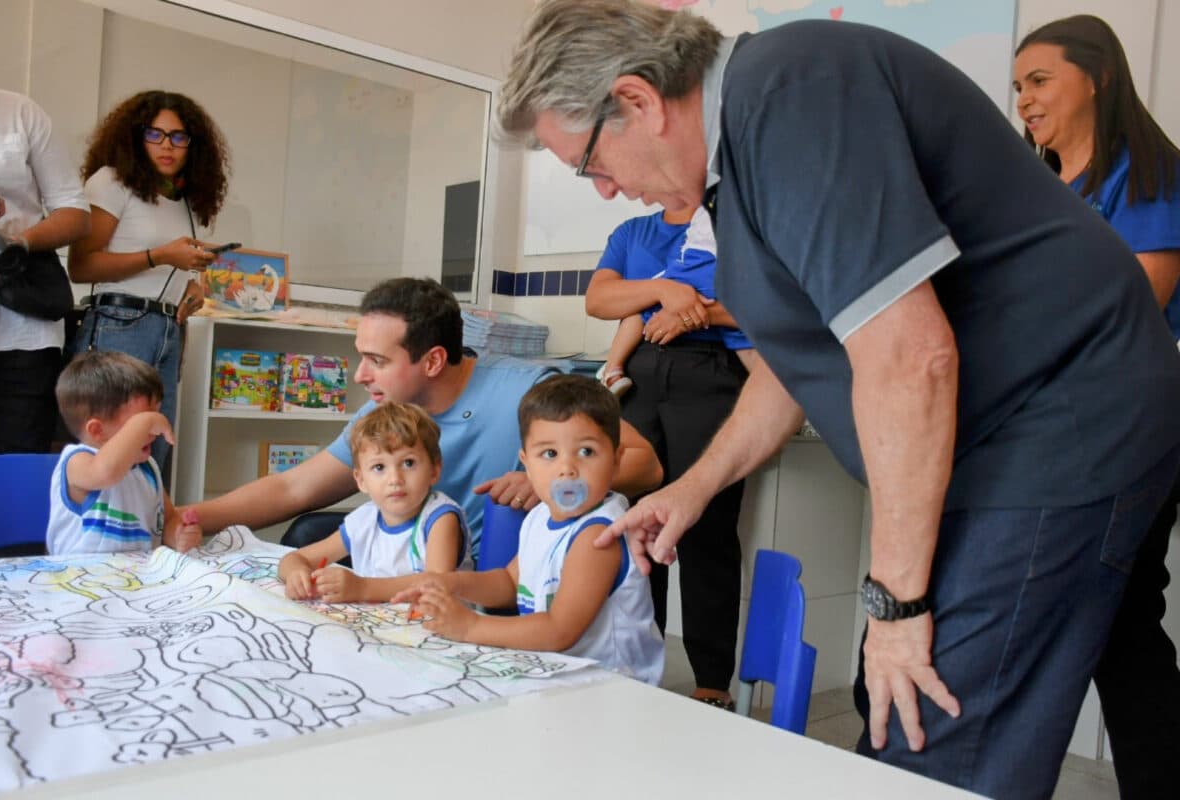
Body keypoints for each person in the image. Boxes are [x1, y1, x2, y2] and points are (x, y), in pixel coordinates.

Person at [497, 2, 1180, 797]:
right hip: (999, 433)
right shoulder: (736, 166)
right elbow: (795, 362)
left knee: (931, 726)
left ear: (638, 100)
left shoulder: (793, 96)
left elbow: (912, 357)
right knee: (900, 695)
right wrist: (693, 487)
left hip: (1062, 420)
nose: (608, 190)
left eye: (590, 164)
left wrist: (896, 605)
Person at [175, 278, 662, 560]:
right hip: (412, 564)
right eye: (361, 356)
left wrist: (546, 480)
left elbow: (646, 463)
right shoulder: (384, 413)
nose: (360, 375)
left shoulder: (529, 390)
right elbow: (292, 488)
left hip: (498, 573)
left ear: (432, 361)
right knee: (309, 534)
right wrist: (183, 517)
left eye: (377, 361)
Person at [1014, 16, 1180, 799]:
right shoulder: (1038, 191)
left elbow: (1136, 306)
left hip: (1127, 428)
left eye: (1040, 80)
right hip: (1044, 430)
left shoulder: (1150, 177)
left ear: (1100, 77)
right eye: (1018, 86)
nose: (1025, 99)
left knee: (1121, 624)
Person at [393, 374, 664, 684]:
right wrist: (448, 583)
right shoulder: (539, 517)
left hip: (612, 687)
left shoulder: (598, 535)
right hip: (557, 675)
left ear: (616, 460)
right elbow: (509, 582)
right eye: (549, 454)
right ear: (527, 463)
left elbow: (559, 630)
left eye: (587, 452)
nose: (567, 469)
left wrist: (470, 626)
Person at [588, 203, 751, 710]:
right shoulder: (634, 232)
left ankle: (712, 683)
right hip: (637, 378)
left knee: (707, 526)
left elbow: (770, 309)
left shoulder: (735, 225)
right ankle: (638, 664)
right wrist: (663, 292)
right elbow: (599, 299)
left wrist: (695, 311)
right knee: (634, 521)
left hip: (712, 368)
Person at [67, 90, 232, 475]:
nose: (167, 146)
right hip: (119, 323)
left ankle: (146, 517)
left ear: (193, 144)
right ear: (135, 137)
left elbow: (175, 265)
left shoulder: (186, 200)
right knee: (112, 454)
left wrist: (192, 286)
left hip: (168, 328)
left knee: (153, 453)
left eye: (178, 137)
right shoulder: (111, 182)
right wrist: (160, 256)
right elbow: (81, 266)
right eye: (155, 134)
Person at [0, 84, 90, 455]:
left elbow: (75, 213)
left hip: (22, 330)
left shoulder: (20, 112)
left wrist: (19, 242)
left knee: (15, 470)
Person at [278, 402, 471, 603]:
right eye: (379, 467)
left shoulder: (440, 518)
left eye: (408, 463)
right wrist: (296, 575)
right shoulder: (363, 520)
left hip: (439, 622)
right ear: (361, 480)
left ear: (434, 470)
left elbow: (438, 583)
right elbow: (294, 558)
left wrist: (362, 588)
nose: (395, 479)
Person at [48, 351, 202, 555]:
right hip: (77, 572)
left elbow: (167, 520)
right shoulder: (78, 461)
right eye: (140, 422)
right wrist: (144, 423)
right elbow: (105, 473)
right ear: (97, 431)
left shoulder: (147, 469)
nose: (154, 429)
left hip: (137, 573)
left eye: (156, 415)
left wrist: (179, 533)